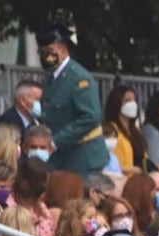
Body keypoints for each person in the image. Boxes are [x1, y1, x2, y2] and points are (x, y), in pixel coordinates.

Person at [34, 27, 108, 177]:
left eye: (49, 50)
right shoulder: (50, 79)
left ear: (62, 50)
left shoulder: (79, 78)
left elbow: (91, 117)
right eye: (42, 51)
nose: (44, 55)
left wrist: (56, 141)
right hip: (62, 158)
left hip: (83, 158)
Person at [103, 85, 148, 175]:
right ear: (117, 103)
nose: (133, 104)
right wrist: (133, 170)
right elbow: (107, 164)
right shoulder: (110, 129)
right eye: (127, 100)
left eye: (134, 100)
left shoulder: (136, 131)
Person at [11, 157, 55, 236]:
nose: (44, 186)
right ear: (24, 182)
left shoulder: (42, 208)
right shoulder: (8, 206)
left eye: (45, 182)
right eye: (40, 182)